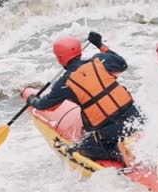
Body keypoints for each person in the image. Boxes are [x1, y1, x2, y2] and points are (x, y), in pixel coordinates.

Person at [26, 32, 142, 162]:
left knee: (82, 149)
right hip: (136, 117)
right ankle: (137, 139)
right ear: (80, 52)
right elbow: (122, 64)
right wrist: (99, 44)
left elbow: (46, 105)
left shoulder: (65, 83)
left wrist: (32, 100)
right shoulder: (100, 60)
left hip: (112, 131)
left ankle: (116, 151)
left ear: (59, 58)